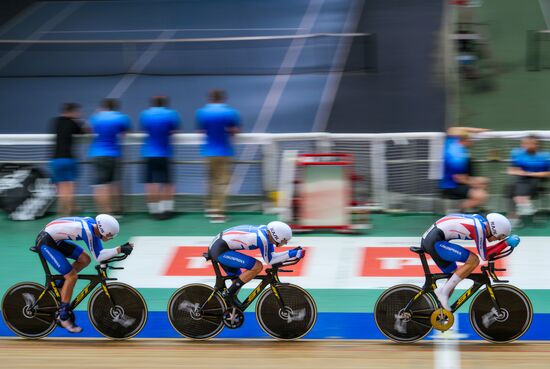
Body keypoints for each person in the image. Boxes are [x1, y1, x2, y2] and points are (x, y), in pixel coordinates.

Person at [33, 214, 133, 333]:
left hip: (55, 239)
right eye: (109, 235)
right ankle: (63, 316)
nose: (110, 238)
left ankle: (60, 284)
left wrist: (119, 249)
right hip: (46, 242)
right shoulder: (88, 232)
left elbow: (98, 253)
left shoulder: (93, 226)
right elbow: (99, 256)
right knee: (72, 276)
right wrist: (119, 249)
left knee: (85, 259)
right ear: (102, 230)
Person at [420, 212, 520, 311]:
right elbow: (485, 256)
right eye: (500, 237)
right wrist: (505, 243)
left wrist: (504, 242)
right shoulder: (480, 229)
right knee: (473, 260)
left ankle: (438, 313)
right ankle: (443, 293)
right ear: (495, 230)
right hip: (435, 241)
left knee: (453, 278)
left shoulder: (480, 221)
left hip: (433, 239)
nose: (498, 240)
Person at [209, 221, 304, 308]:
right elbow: (270, 260)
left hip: (221, 246)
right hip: (220, 250)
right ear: (277, 236)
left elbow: (272, 256)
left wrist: (292, 253)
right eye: (284, 240)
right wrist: (292, 253)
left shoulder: (266, 233)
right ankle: (228, 294)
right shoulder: (263, 239)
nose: (285, 243)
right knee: (257, 266)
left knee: (238, 278)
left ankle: (226, 305)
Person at [196, 89, 240, 223]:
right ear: (223, 98)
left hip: (208, 153)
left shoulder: (202, 112)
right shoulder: (230, 112)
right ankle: (218, 213)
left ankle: (210, 208)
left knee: (210, 181)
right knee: (222, 183)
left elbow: (201, 130)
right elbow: (234, 131)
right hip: (224, 152)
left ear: (210, 98)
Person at [140, 96, 181, 220]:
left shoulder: (145, 114)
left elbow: (145, 130)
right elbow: (173, 131)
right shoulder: (172, 114)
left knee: (151, 183)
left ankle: (154, 211)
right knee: (167, 183)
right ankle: (166, 210)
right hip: (165, 153)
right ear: (165, 104)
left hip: (149, 154)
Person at [88, 99, 131, 215]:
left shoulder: (96, 117)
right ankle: (114, 210)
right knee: (114, 183)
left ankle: (103, 212)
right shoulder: (121, 117)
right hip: (114, 155)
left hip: (97, 154)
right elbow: (125, 132)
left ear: (104, 106)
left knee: (100, 185)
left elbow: (89, 130)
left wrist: (97, 114)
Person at [50, 102, 89, 215]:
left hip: (56, 160)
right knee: (69, 188)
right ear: (73, 111)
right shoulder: (74, 123)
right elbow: (86, 132)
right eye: (77, 111)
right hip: (69, 159)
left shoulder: (55, 122)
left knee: (61, 188)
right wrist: (84, 124)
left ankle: (63, 210)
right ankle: (67, 212)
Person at [440, 126, 490, 212]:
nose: (473, 142)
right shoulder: (457, 156)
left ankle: (475, 207)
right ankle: (457, 211)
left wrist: (478, 130)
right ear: (465, 140)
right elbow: (459, 179)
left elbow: (452, 129)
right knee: (482, 195)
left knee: (484, 182)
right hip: (451, 187)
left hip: (458, 181)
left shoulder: (452, 142)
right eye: (471, 140)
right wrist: (476, 183)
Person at [507, 135, 550, 225]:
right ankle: (524, 205)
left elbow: (548, 173)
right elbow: (510, 170)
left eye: (529, 143)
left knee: (515, 187)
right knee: (512, 185)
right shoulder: (516, 153)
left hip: (538, 178)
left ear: (537, 144)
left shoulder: (545, 155)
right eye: (524, 143)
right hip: (522, 178)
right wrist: (518, 172)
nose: (526, 145)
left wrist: (530, 174)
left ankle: (514, 215)